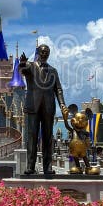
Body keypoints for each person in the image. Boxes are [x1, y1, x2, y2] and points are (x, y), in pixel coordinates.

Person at [19, 44, 67, 175]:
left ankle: (48, 167)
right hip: (33, 106)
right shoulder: (30, 66)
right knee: (32, 137)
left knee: (48, 138)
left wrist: (62, 104)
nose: (45, 53)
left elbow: (58, 89)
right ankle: (30, 166)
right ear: (38, 53)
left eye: (47, 52)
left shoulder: (53, 70)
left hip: (48, 107)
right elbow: (22, 70)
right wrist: (22, 63)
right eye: (43, 51)